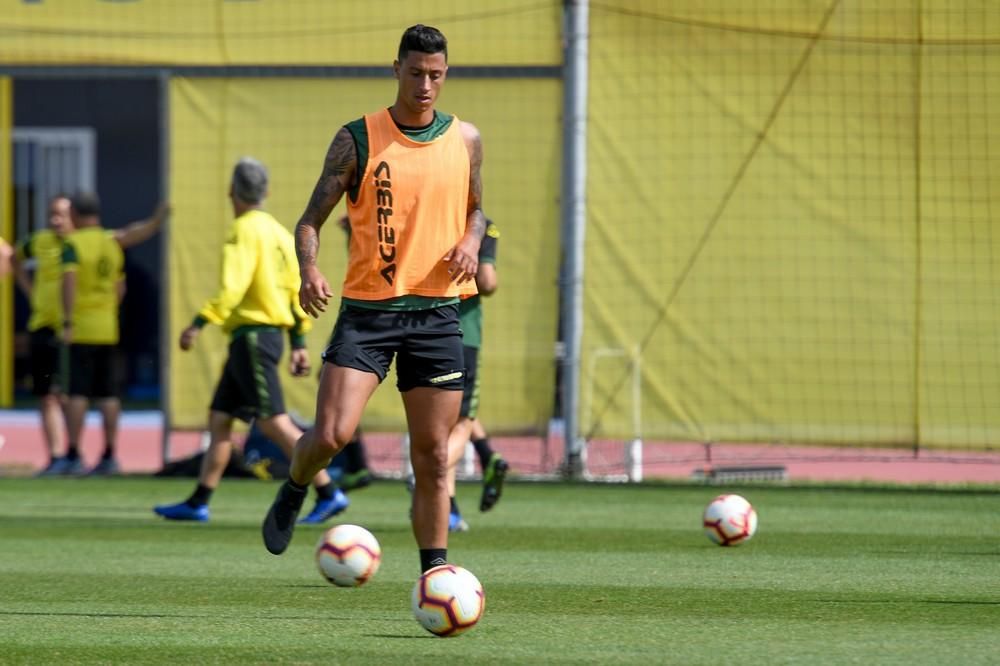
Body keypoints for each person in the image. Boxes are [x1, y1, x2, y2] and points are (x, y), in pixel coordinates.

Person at [262, 24, 486, 575]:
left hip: (436, 313)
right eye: (416, 73)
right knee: (333, 434)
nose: (426, 85)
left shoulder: (466, 140)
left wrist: (471, 240)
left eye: (435, 75)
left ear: (446, 73)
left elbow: (477, 209)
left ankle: (436, 575)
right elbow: (309, 220)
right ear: (396, 70)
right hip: (368, 313)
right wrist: (309, 269)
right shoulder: (358, 138)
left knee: (433, 457)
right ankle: (296, 486)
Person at [154, 157, 348, 523]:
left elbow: (233, 287)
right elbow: (295, 290)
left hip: (254, 338)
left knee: (274, 422)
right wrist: (299, 343)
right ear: (267, 192)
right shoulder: (278, 232)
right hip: (265, 336)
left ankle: (328, 490)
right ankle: (199, 501)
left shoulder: (243, 229)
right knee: (220, 418)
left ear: (231, 191)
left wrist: (199, 322)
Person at [61, 193, 168, 475]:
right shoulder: (111, 243)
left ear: (74, 214)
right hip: (108, 328)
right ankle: (109, 454)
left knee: (77, 393)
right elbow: (120, 288)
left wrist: (69, 320)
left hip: (82, 328)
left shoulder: (73, 244)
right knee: (109, 395)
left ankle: (73, 453)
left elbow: (69, 282)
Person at [443, 218, 508, 531]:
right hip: (464, 334)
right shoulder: (482, 225)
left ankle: (450, 507)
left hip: (422, 330)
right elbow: (488, 282)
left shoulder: (432, 215)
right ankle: (433, 476)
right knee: (461, 420)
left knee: (446, 418)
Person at [12, 196, 76, 475]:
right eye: (52, 214)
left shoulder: (83, 244)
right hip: (43, 327)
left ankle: (76, 454)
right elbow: (15, 257)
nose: (55, 220)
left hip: (73, 330)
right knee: (47, 396)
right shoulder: (39, 241)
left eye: (61, 214)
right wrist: (30, 290)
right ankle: (56, 456)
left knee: (71, 396)